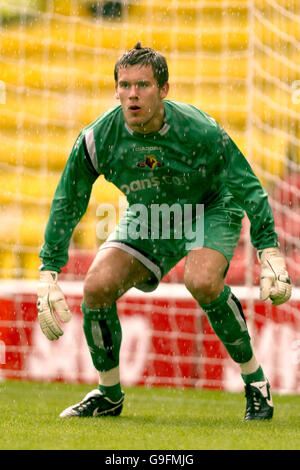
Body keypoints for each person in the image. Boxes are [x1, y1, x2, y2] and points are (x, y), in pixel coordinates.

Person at [37, 42, 292, 421]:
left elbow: (246, 184)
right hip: (149, 214)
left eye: (142, 85)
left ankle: (256, 384)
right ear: (116, 89)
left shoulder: (199, 130)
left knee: (202, 281)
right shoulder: (97, 139)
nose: (132, 94)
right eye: (124, 85)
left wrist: (268, 249)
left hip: (210, 206)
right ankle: (108, 395)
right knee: (96, 288)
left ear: (164, 90)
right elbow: (67, 201)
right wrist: (48, 270)